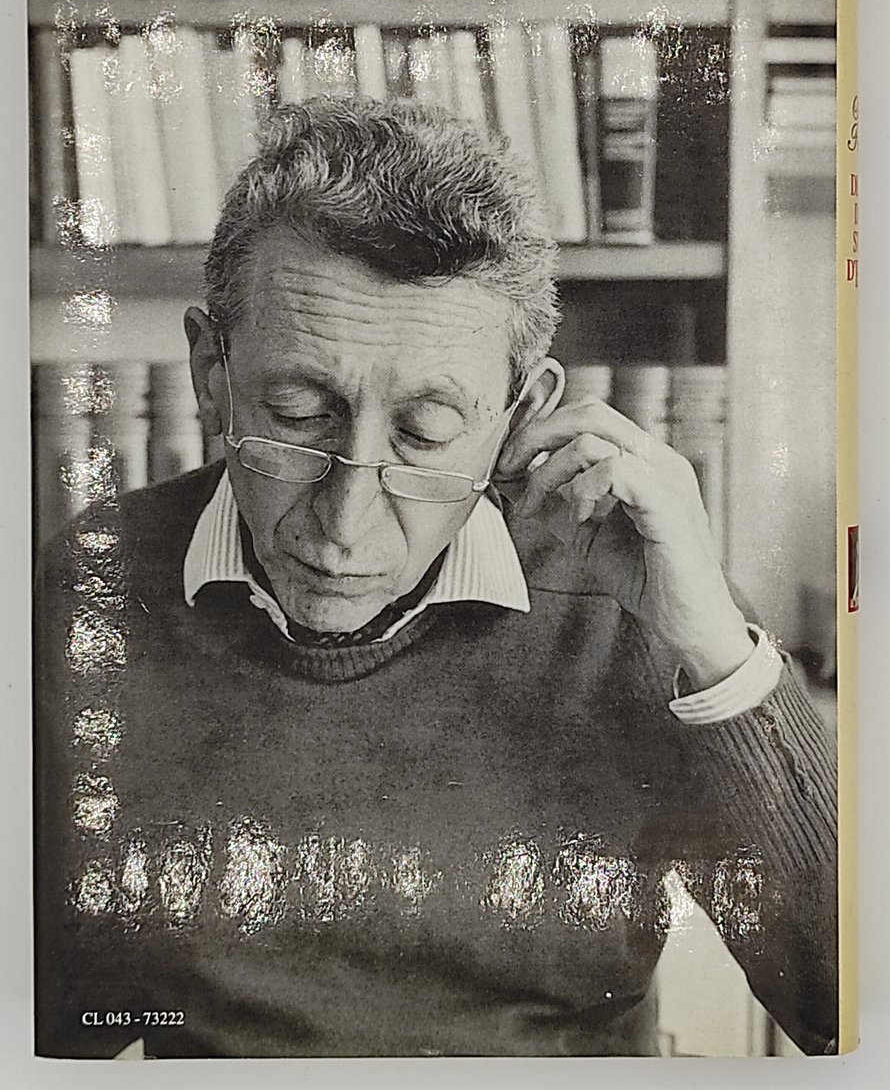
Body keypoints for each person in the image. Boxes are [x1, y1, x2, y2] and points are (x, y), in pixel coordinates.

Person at [34, 97, 837, 1058]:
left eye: (425, 434)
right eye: (299, 414)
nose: (346, 524)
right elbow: (42, 1029)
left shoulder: (636, 610)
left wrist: (715, 651)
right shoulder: (92, 590)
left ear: (520, 414)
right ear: (212, 371)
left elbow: (849, 1010)